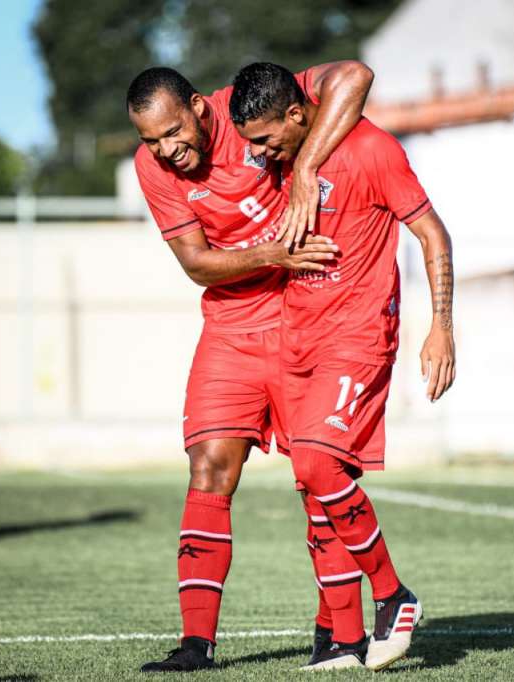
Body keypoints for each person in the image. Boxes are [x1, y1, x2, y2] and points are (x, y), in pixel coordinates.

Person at [126, 60, 373, 673]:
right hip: (231, 328)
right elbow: (197, 264)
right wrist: (272, 253)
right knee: (208, 466)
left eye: (173, 132)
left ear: (199, 107)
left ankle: (340, 633)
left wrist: (305, 168)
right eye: (152, 140)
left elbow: (354, 75)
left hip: (304, 317)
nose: (166, 150)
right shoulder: (151, 169)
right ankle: (195, 645)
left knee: (318, 477)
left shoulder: (248, 108)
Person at [229, 61, 456, 671]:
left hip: (357, 338)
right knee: (314, 489)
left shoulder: (373, 150)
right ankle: (343, 642)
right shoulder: (284, 159)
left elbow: (433, 234)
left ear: (296, 114)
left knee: (318, 463)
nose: (259, 153)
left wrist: (441, 325)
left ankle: (393, 595)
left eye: (265, 139)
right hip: (298, 340)